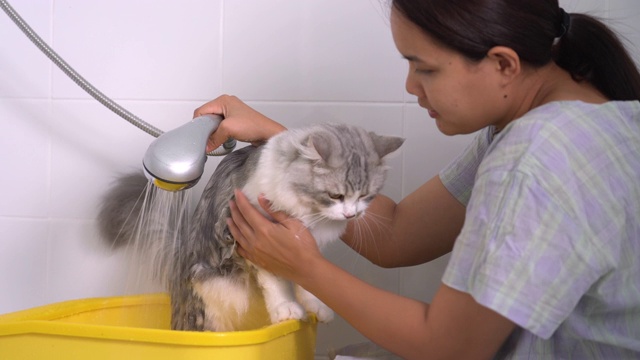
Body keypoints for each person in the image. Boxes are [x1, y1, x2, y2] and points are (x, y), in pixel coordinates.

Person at [194, 1, 640, 358]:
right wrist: (284, 141)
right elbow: (399, 234)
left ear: (504, 64)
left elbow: (451, 346)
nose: (410, 85)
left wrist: (304, 267)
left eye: (424, 67)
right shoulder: (584, 119)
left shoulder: (534, 158)